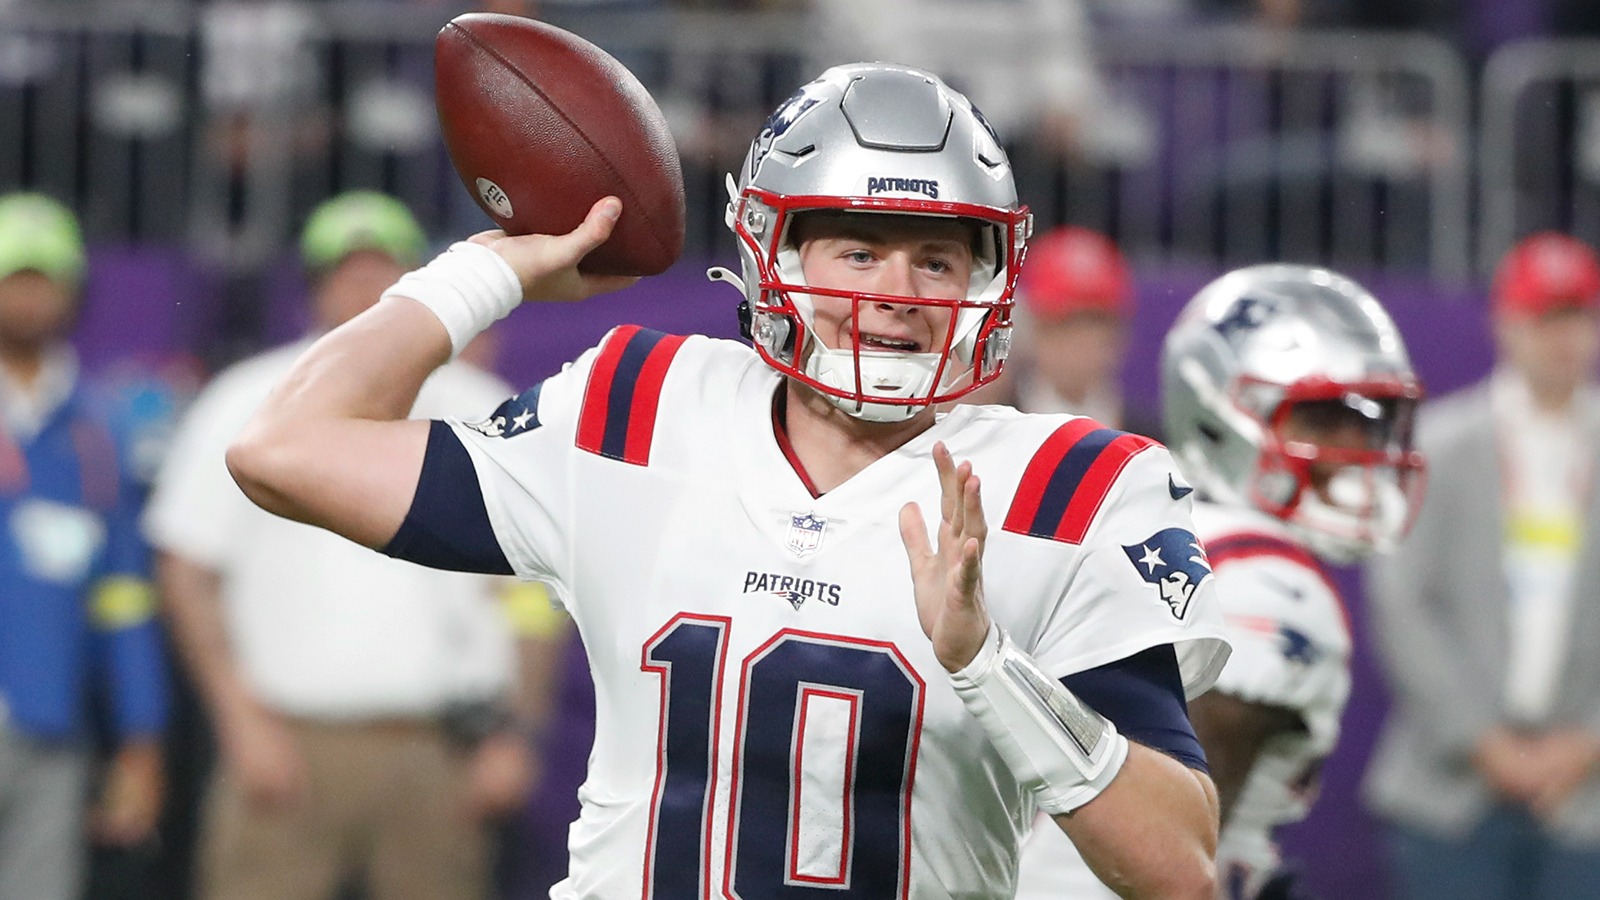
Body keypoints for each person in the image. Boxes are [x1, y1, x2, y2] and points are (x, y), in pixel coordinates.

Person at [224, 63, 1233, 897]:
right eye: (854, 250)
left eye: (935, 260)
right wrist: (490, 269)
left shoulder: (1075, 486)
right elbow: (282, 447)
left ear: (985, 282)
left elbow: (1178, 871)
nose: (893, 295)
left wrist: (987, 666)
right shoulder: (643, 406)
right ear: (770, 253)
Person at [143, 191, 557, 900]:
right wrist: (239, 720)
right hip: (291, 736)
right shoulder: (247, 396)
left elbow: (537, 588)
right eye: (346, 271)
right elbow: (186, 569)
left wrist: (517, 730)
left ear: (421, 284)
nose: (366, 288)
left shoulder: (485, 400)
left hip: (439, 746)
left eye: (385, 272)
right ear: (313, 286)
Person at [1012, 264, 1427, 898]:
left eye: (1369, 420)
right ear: (1218, 415)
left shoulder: (1158, 521)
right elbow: (1158, 849)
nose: (1355, 447)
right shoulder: (1269, 582)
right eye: (1320, 418)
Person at [1364, 231, 1600, 900]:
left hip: (1585, 799)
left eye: (1577, 315)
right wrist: (1484, 742)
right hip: (1450, 791)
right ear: (1505, 321)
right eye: (1545, 315)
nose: (1562, 337)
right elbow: (1402, 602)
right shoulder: (1439, 444)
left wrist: (1586, 745)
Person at [0, 192, 169, 900]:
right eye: (16, 276)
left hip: (50, 726)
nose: (33, 296)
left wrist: (141, 736)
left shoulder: (97, 432)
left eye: (49, 279)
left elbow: (126, 598)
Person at [962, 224, 1160, 437]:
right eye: (1064, 322)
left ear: (1120, 334)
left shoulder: (1151, 441)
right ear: (1033, 329)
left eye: (1095, 322)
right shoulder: (992, 430)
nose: (1081, 340)